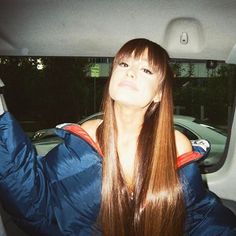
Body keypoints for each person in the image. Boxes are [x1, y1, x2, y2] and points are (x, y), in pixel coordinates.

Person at [0, 38, 235, 236]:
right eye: (123, 64)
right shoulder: (89, 133)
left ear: (159, 94)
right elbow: (37, 201)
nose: (130, 72)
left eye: (145, 69)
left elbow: (199, 218)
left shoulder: (175, 145)